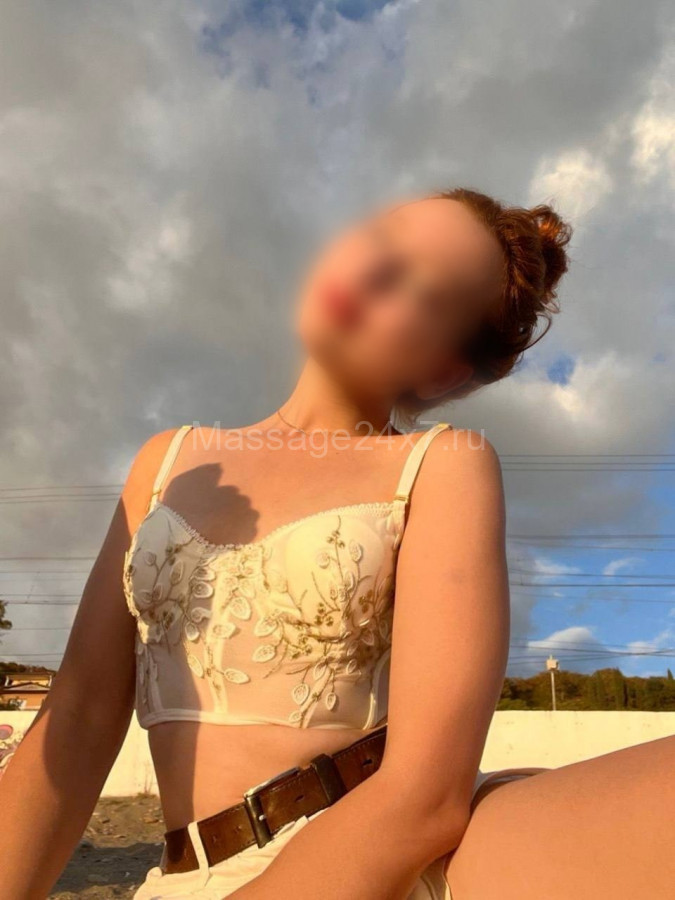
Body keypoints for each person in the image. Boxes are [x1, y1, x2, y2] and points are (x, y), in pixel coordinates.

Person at [1, 189, 672, 900]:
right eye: (384, 238)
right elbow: (77, 718)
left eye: (425, 289)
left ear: (443, 369)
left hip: (370, 863)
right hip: (186, 873)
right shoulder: (166, 462)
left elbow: (425, 793)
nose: (379, 272)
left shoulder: (444, 464)